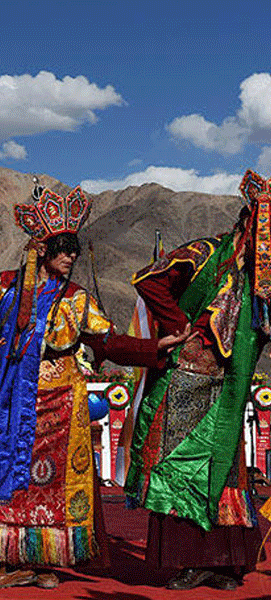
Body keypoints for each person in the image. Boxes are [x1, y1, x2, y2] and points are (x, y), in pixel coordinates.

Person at [0, 184, 187, 589]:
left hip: (62, 400)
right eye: (63, 249)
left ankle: (45, 561)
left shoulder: (78, 299)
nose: (71, 257)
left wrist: (154, 348)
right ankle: (10, 558)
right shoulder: (3, 286)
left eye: (74, 250)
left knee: (51, 482)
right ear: (42, 250)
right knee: (0, 472)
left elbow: (107, 342)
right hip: (10, 395)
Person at [125, 170, 270, 591]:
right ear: (248, 222)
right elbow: (149, 278)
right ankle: (188, 562)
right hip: (186, 379)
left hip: (227, 388)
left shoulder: (263, 281)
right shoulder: (207, 253)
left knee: (225, 472)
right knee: (179, 470)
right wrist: (178, 325)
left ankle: (223, 564)